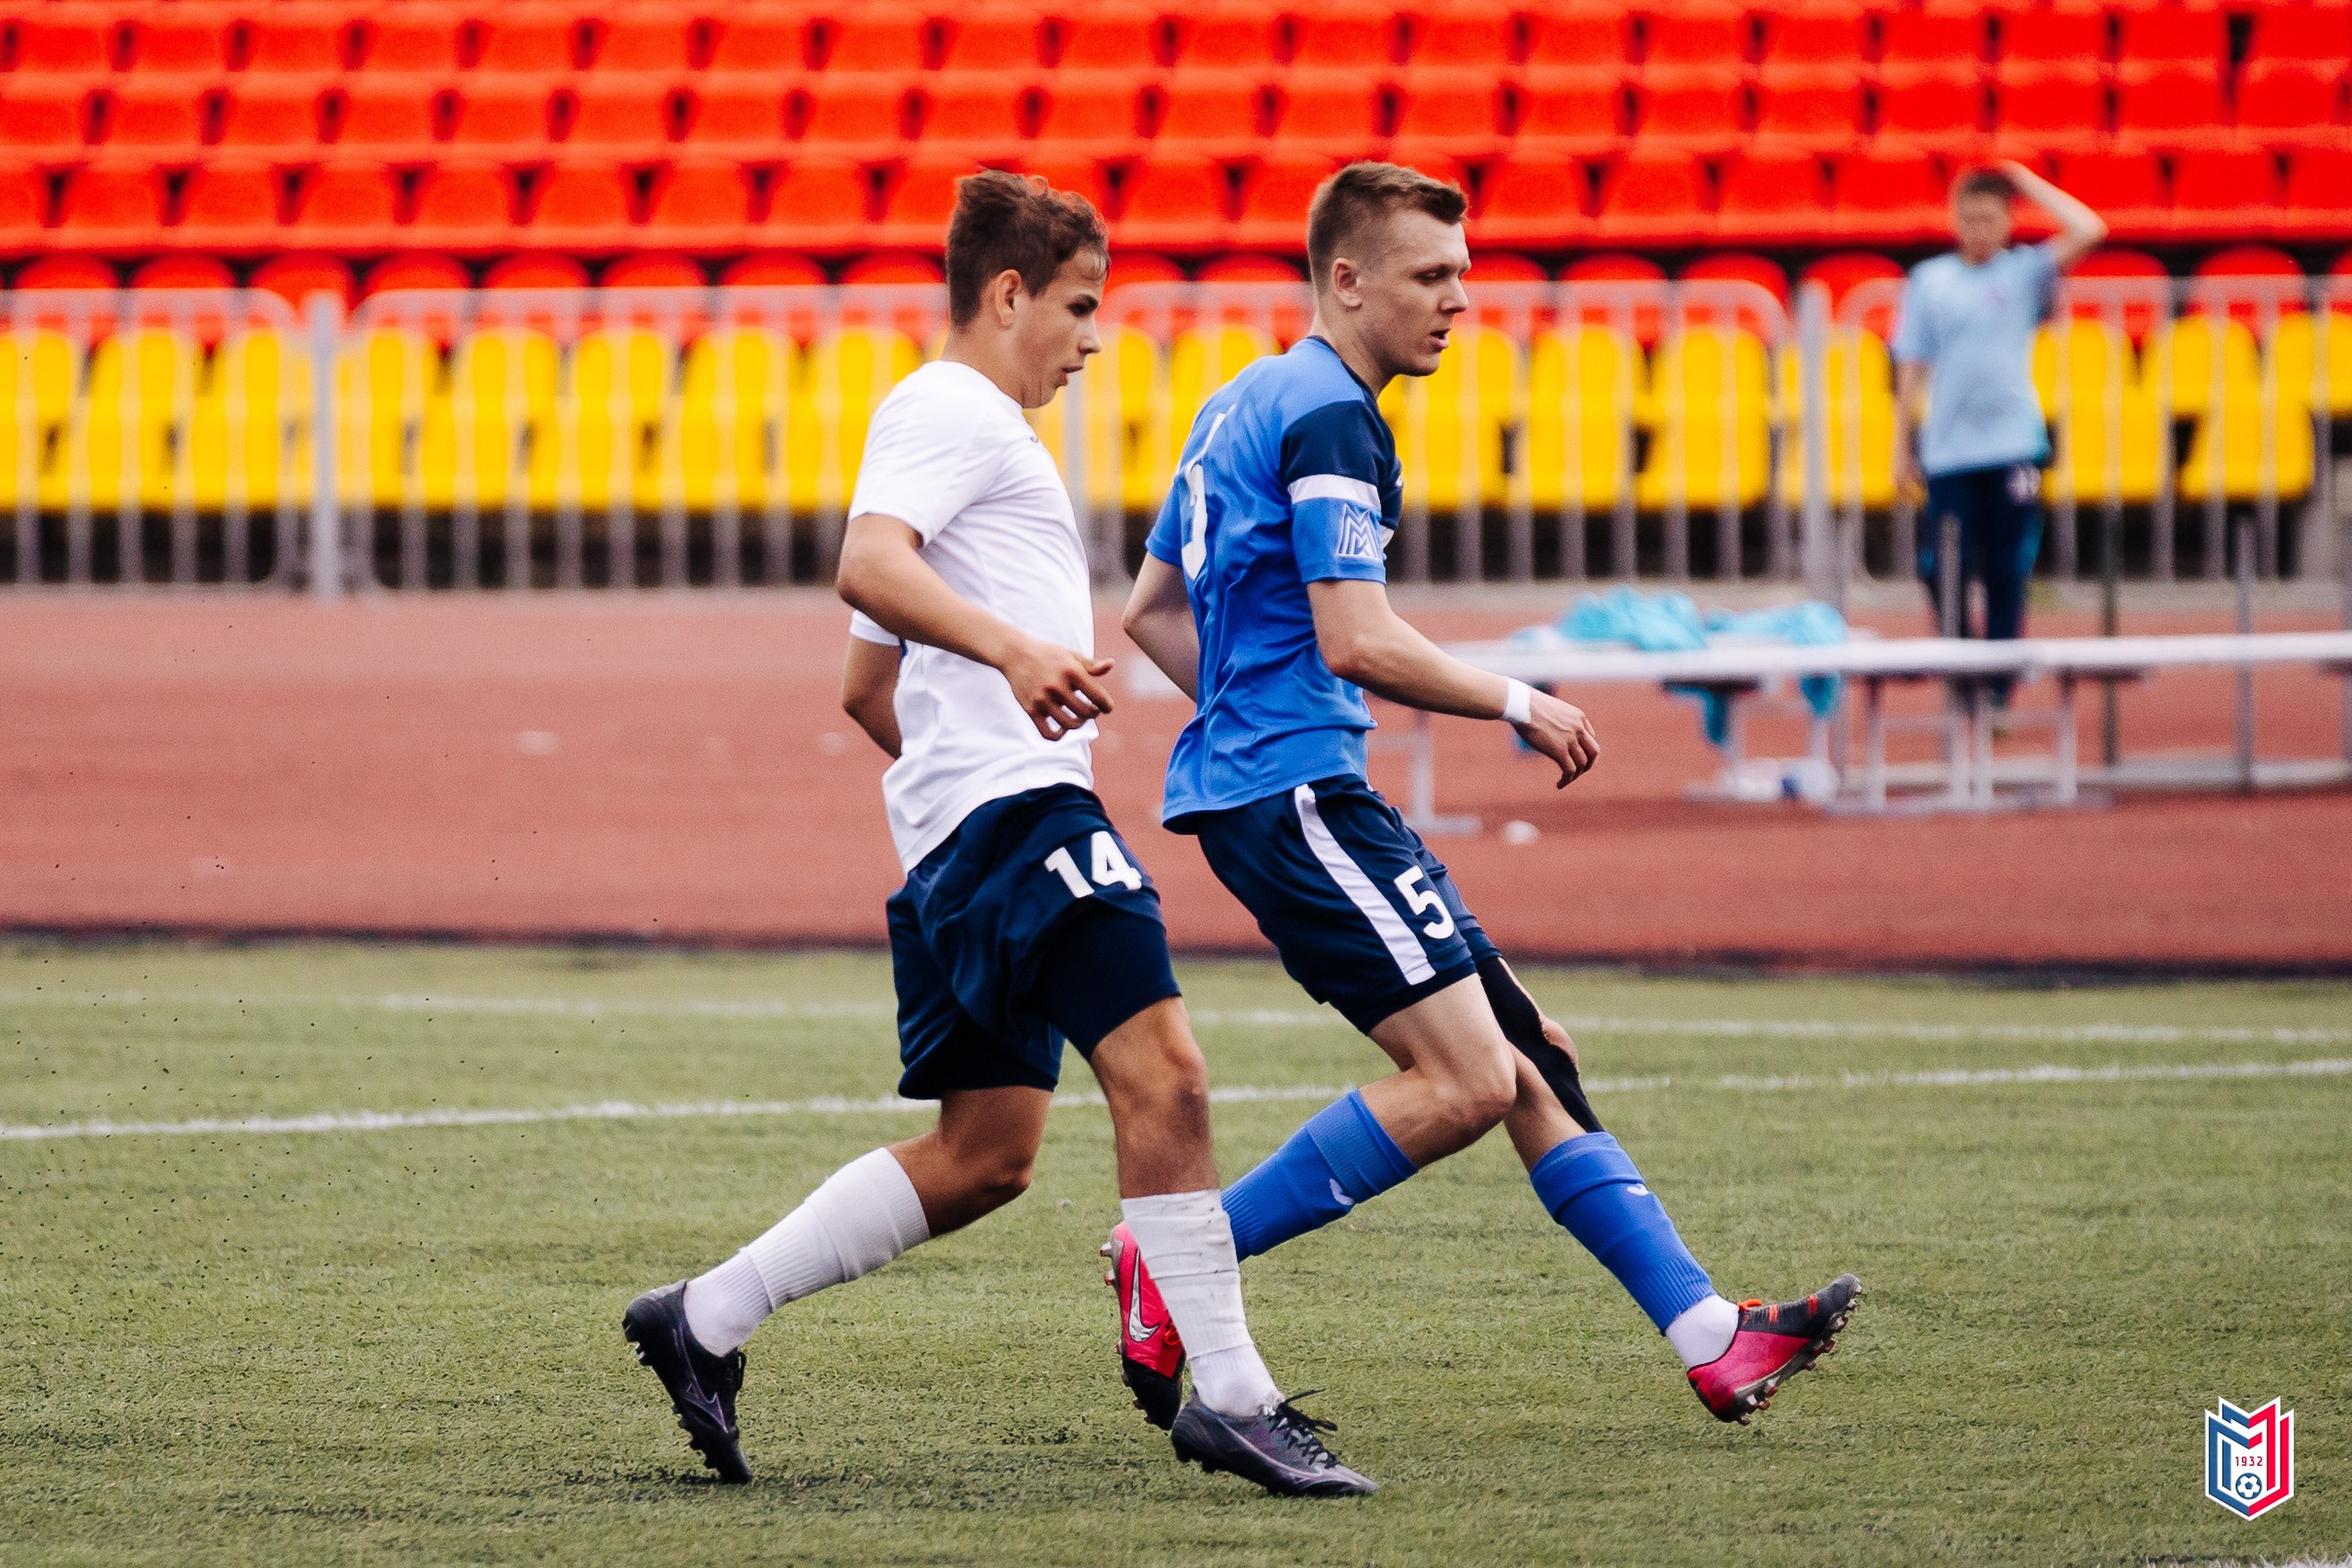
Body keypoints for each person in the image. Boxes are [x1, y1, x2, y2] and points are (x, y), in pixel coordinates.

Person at [623, 171, 1373, 1498]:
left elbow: (866, 685)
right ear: (1008, 292)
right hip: (1019, 814)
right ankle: (1239, 1397)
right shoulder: (952, 408)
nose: (1094, 337)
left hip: (963, 834)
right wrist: (1017, 669)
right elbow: (868, 562)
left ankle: (707, 1314)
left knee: (988, 1154)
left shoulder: (953, 433)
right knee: (1171, 1078)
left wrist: (957, 794)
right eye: (1080, 306)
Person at [1114, 161, 1860, 1435]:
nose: (1463, 299)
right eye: (1433, 274)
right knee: (1468, 1081)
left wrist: (1241, 721)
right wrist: (1522, 697)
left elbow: (1151, 611)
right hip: (1300, 798)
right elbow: (1356, 638)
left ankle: (1711, 1335)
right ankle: (1176, 1258)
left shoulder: (1243, 396)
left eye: (1465, 272)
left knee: (1531, 1058)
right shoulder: (1335, 416)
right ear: (1347, 280)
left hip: (1281, 788)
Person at [1894, 161, 2109, 700]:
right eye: (1968, 218)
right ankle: (1965, 666)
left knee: (2008, 569)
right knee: (1940, 568)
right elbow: (1912, 363)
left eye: (1990, 218)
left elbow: (2090, 229)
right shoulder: (1931, 281)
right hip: (1949, 451)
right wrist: (1902, 444)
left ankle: (1999, 688)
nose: (1978, 230)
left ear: (2009, 221)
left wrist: (2029, 183)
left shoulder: (2023, 272)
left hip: (2015, 447)